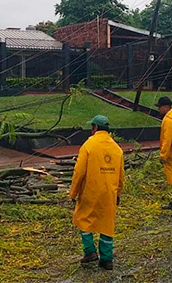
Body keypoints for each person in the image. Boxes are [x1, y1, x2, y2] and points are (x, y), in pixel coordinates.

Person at [69, 115, 125, 271]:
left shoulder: (88, 145)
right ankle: (107, 260)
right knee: (107, 224)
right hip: (109, 193)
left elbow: (79, 172)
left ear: (94, 128)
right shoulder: (117, 149)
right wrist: (117, 193)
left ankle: (90, 252)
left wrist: (73, 193)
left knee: (82, 219)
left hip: (90, 191)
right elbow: (121, 176)